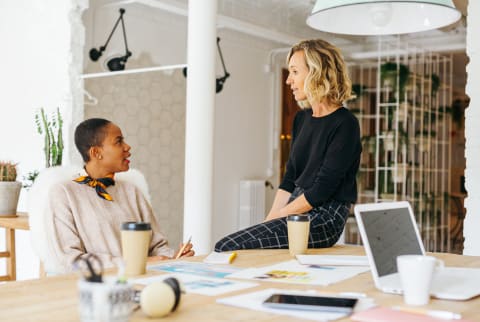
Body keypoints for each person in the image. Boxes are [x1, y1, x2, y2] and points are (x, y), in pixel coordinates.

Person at [215, 39, 361, 251]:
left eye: (294, 72)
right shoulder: (301, 119)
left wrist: (277, 218)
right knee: (233, 245)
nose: (288, 80)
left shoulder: (345, 123)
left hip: (325, 216)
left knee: (226, 247)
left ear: (317, 73)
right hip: (296, 206)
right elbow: (289, 180)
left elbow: (322, 190)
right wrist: (269, 221)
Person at [45, 118, 193, 273]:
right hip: (96, 287)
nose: (127, 147)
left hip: (146, 280)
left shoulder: (132, 191)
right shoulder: (63, 193)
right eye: (119, 142)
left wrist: (175, 258)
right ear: (96, 152)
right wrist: (134, 263)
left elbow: (158, 247)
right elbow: (71, 260)